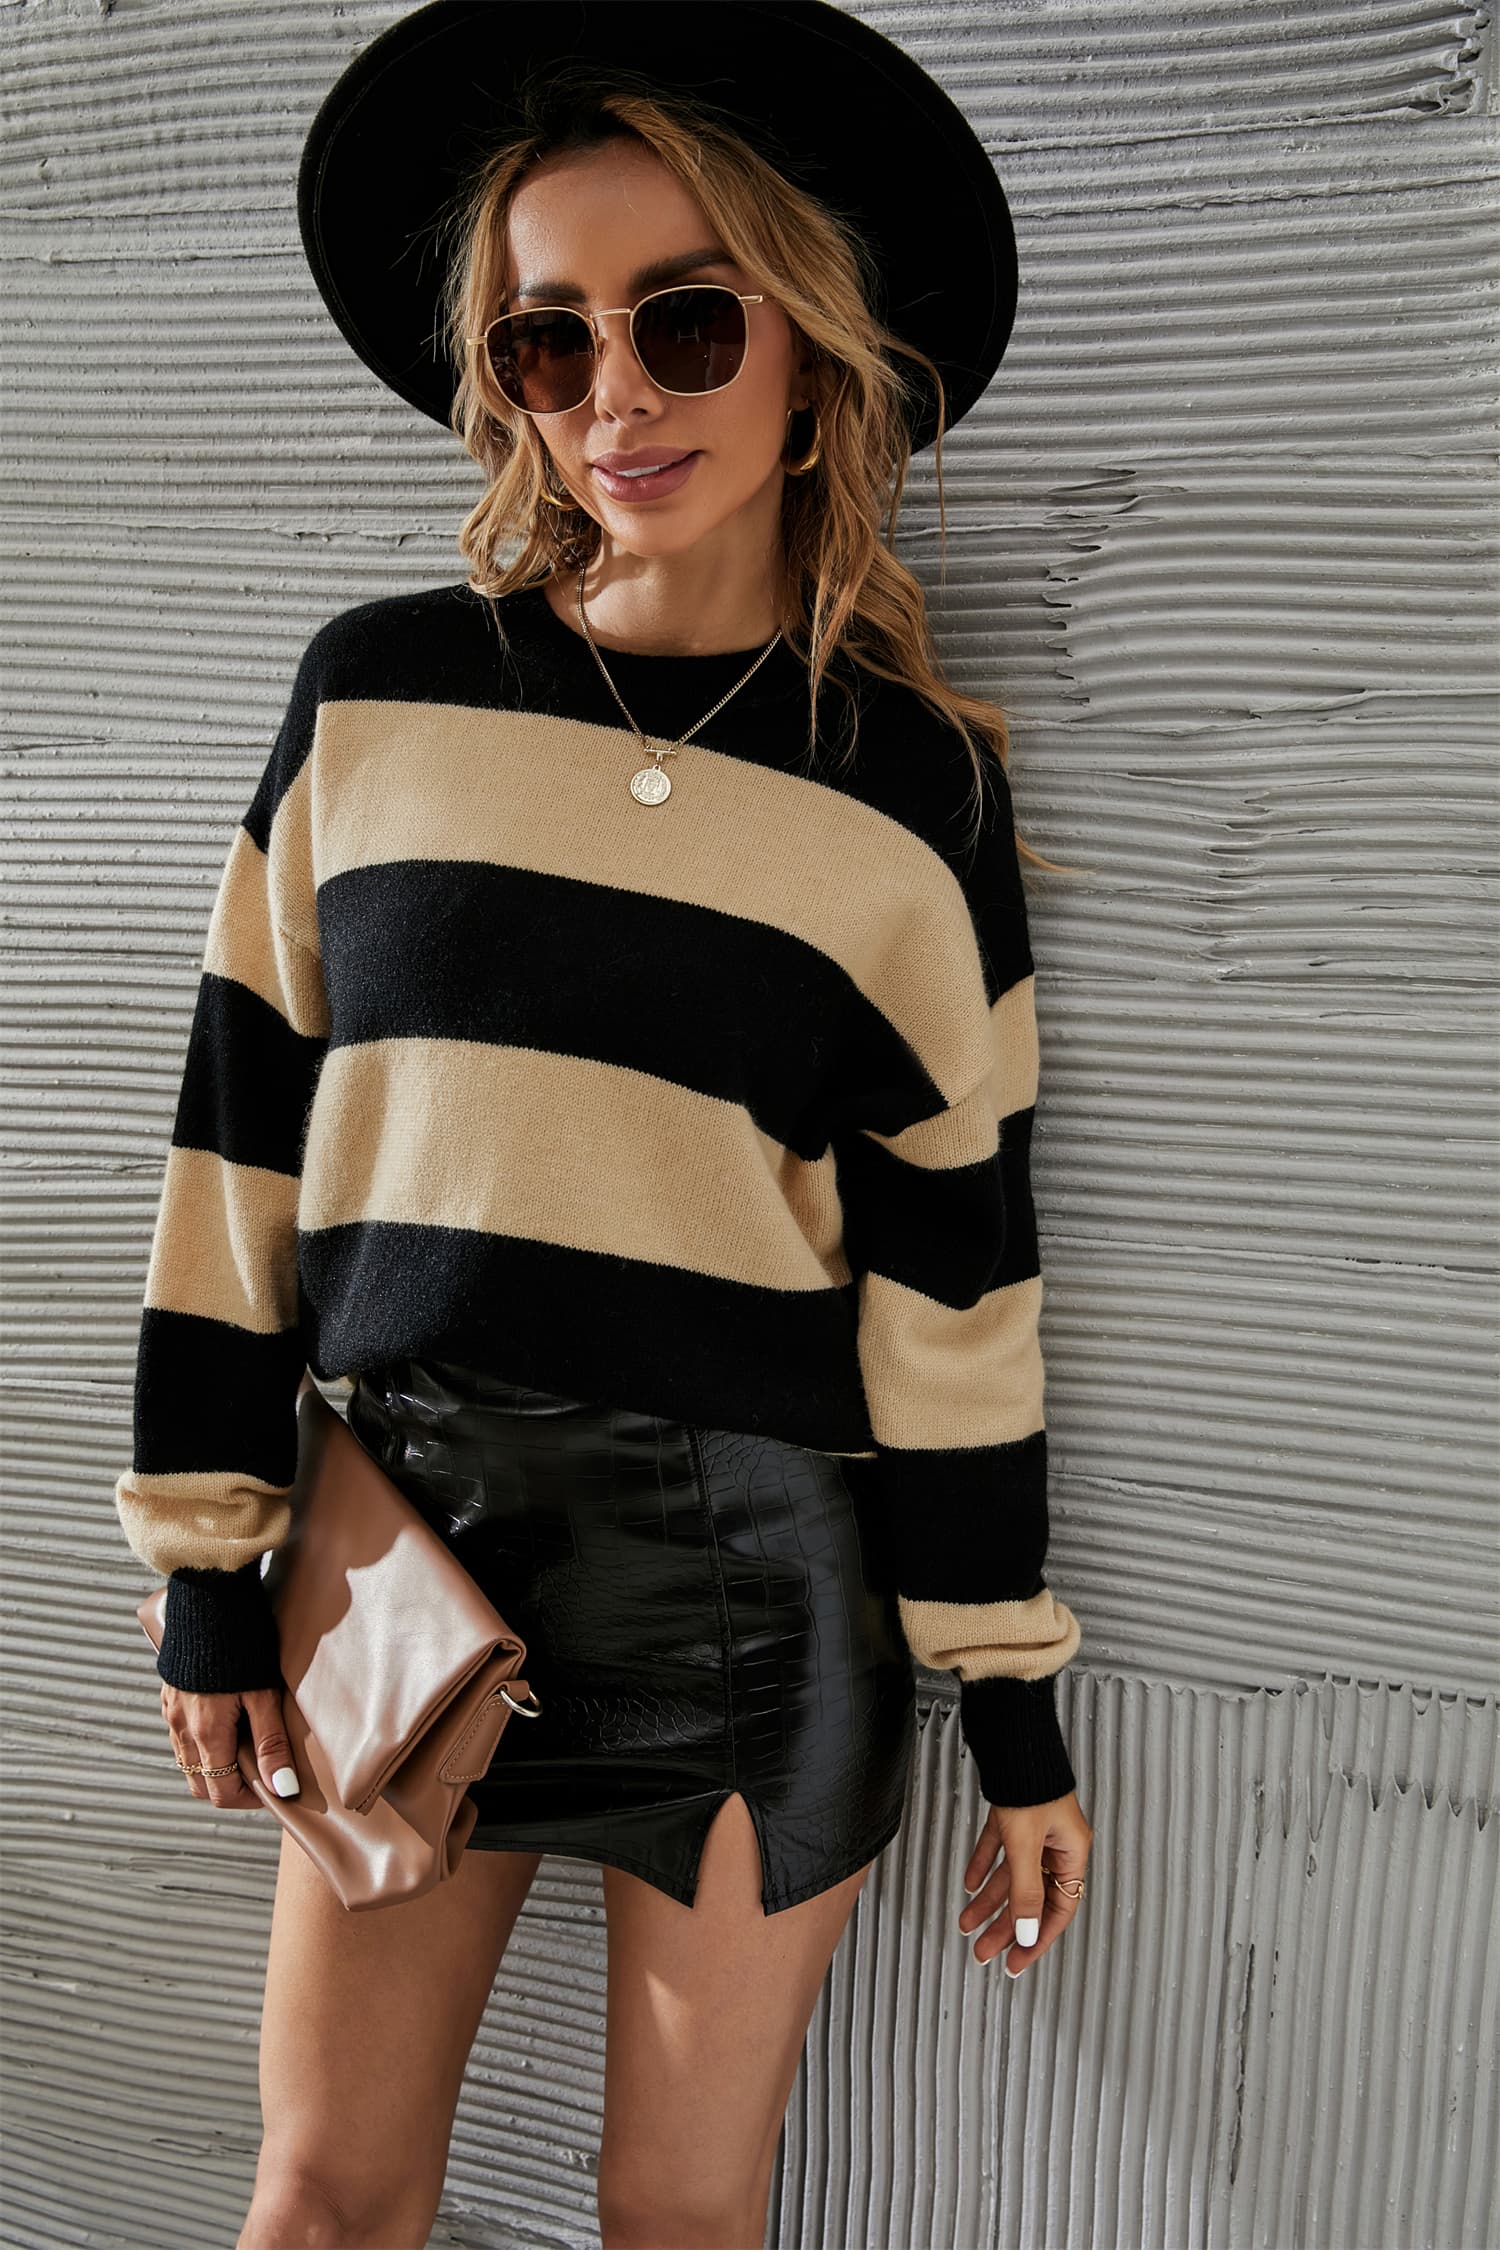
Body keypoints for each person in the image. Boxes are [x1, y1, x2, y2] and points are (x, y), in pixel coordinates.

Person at [111, 6, 1095, 2244]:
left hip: (755, 1586)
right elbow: (233, 1150)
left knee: (679, 2216)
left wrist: (1012, 1705)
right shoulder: (379, 694)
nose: (619, 396)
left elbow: (956, 1287)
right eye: (549, 342)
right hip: (405, 1542)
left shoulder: (912, 791)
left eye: (686, 321)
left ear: (811, 352)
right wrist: (209, 1565)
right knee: (322, 2197)